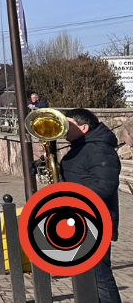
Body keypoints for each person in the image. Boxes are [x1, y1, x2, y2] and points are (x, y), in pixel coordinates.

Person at [61, 108, 122, 303]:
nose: (63, 128)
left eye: (68, 123)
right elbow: (80, 172)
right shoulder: (81, 146)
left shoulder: (99, 148)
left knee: (100, 278)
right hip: (81, 218)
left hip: (96, 221)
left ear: (84, 127)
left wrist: (72, 197)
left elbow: (106, 185)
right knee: (88, 276)